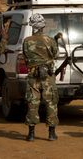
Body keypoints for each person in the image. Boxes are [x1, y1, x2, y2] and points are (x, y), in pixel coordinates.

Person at [23, 13, 60, 142]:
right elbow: (56, 54)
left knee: (33, 104)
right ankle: (51, 133)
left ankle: (31, 134)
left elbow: (26, 57)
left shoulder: (27, 41)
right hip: (48, 78)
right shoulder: (50, 40)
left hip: (33, 77)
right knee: (51, 103)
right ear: (43, 26)